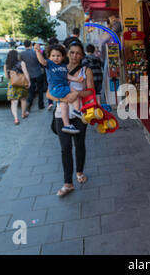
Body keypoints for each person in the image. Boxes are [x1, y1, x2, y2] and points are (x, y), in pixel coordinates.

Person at [47, 42, 95, 196]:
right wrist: (62, 99)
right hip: (62, 114)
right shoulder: (57, 67)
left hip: (79, 112)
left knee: (79, 144)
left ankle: (79, 172)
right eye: (72, 52)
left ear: (82, 56)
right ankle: (68, 183)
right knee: (65, 147)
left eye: (78, 53)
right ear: (67, 54)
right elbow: (48, 94)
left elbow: (90, 92)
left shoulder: (86, 71)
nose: (74, 56)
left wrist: (76, 95)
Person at [34, 43, 83, 134]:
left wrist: (77, 79)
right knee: (75, 93)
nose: (56, 58)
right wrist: (37, 51)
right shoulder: (49, 63)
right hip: (56, 88)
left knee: (64, 106)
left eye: (58, 56)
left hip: (62, 88)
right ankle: (77, 111)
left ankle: (67, 125)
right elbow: (42, 61)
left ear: (63, 57)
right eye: (53, 56)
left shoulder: (64, 66)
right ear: (49, 56)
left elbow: (67, 76)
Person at [4, 50, 31, 125]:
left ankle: (16, 118)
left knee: (14, 102)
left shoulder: (6, 65)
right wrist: (28, 82)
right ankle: (23, 114)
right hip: (22, 83)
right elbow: (25, 73)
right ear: (16, 56)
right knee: (23, 99)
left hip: (12, 84)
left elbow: (6, 76)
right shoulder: (21, 63)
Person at [20, 40, 45, 112]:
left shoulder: (22, 54)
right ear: (31, 45)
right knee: (40, 90)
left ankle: (29, 105)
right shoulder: (35, 52)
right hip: (38, 73)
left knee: (31, 91)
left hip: (29, 75)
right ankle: (41, 105)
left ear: (24, 45)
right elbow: (40, 61)